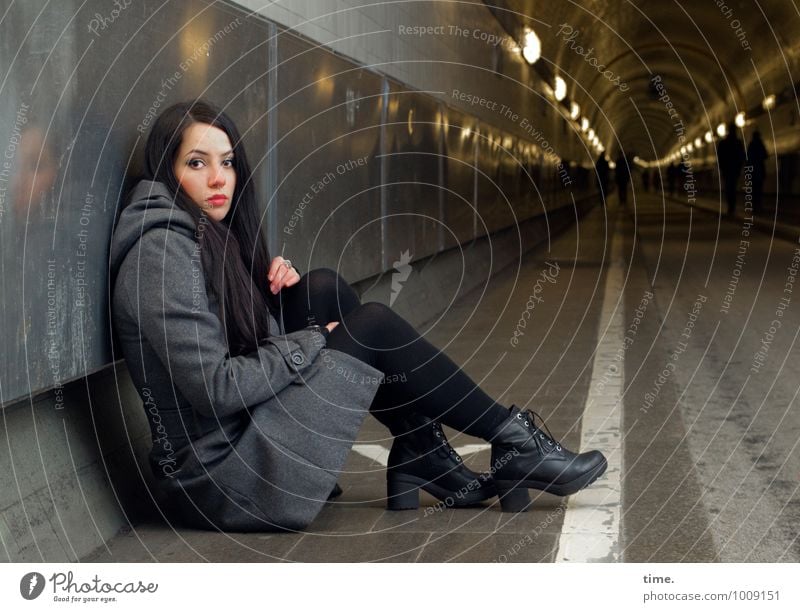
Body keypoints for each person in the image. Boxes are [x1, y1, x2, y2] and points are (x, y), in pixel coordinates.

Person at [108, 99, 607, 532]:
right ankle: (511, 439)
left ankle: (420, 448)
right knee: (369, 325)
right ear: (165, 171)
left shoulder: (203, 236)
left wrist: (265, 298)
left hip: (236, 445)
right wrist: (312, 341)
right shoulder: (161, 254)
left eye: (227, 162)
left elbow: (237, 347)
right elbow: (216, 388)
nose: (219, 178)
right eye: (197, 163)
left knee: (318, 286)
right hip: (223, 479)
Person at [716, 122, 745, 216]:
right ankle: (732, 205)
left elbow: (720, 157)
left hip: (726, 169)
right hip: (735, 169)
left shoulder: (723, 143)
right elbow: (742, 156)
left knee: (728, 187)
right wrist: (740, 166)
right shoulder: (739, 142)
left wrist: (721, 167)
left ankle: (730, 206)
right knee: (733, 186)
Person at [746, 130, 768, 215]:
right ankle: (759, 205)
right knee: (759, 188)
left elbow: (748, 158)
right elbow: (765, 155)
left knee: (754, 189)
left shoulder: (751, 145)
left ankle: (755, 206)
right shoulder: (760, 144)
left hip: (753, 171)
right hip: (760, 170)